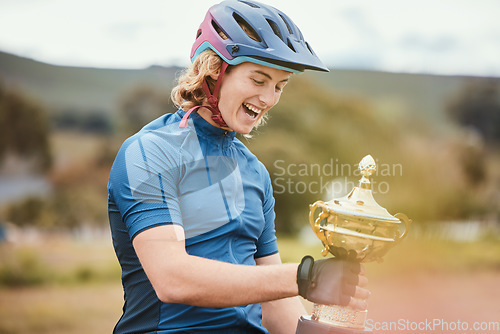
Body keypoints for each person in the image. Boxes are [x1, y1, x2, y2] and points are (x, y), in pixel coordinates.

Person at [107, 1, 370, 333]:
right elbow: (171, 278)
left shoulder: (254, 172)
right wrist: (306, 276)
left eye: (279, 86)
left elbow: (275, 305)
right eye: (258, 80)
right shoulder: (148, 153)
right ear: (214, 70)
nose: (269, 98)